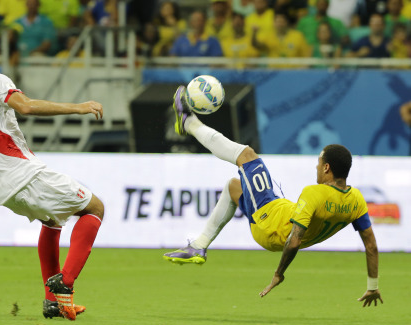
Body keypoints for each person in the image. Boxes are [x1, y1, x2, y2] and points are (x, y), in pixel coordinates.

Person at [0, 29, 104, 321]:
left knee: (52, 221)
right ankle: (66, 282)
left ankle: (54, 303)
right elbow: (25, 106)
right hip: (25, 174)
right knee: (95, 208)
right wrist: (79, 107)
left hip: (2, 190)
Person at [163, 85, 383, 306]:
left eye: (318, 163)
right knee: (234, 187)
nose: (316, 167)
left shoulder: (314, 193)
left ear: (327, 168)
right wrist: (372, 286)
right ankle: (199, 246)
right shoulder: (356, 200)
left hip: (270, 223)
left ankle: (188, 122)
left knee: (246, 154)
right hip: (276, 214)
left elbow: (294, 240)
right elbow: (371, 246)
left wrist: (279, 273)